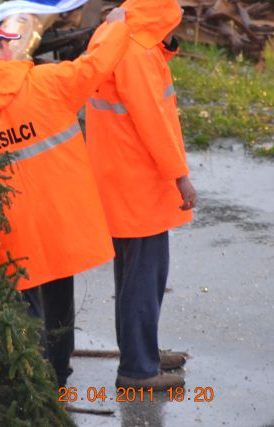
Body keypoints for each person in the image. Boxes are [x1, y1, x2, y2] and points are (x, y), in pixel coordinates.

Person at [0, 15, 129, 387]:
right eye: (8, 45)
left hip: (7, 229)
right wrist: (117, 26)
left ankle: (27, 381)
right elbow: (93, 66)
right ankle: (58, 376)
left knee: (21, 301)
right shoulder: (45, 82)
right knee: (59, 295)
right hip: (55, 220)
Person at [85, 0, 196, 389]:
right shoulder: (137, 54)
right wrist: (180, 176)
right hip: (138, 181)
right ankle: (138, 368)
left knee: (136, 274)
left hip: (118, 176)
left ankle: (142, 351)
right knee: (143, 278)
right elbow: (153, 122)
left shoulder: (117, 36)